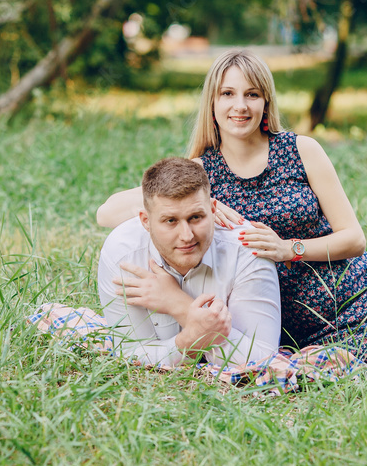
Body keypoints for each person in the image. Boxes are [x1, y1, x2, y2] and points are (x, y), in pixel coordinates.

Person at [98, 50, 367, 362]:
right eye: (228, 94)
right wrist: (211, 201)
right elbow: (109, 212)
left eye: (252, 94)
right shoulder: (202, 172)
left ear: (265, 101)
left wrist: (291, 249)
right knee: (361, 356)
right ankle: (335, 357)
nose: (240, 106)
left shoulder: (301, 149)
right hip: (282, 316)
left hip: (355, 287)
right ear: (213, 102)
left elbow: (354, 238)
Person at [97, 156, 281, 368]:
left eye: (195, 217)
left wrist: (179, 305)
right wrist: (187, 341)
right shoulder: (123, 255)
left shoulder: (247, 250)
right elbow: (130, 355)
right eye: (170, 221)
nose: (187, 236)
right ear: (145, 221)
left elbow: (263, 360)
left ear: (212, 210)